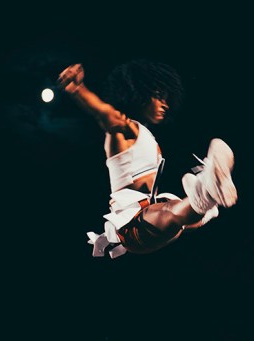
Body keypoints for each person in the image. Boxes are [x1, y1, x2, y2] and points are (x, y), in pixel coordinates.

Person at [56, 60, 237, 259]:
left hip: (152, 221)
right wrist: (78, 89)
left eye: (167, 99)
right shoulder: (123, 130)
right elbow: (103, 113)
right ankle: (205, 199)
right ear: (138, 94)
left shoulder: (145, 136)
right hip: (133, 226)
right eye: (159, 97)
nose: (165, 104)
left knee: (170, 204)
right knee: (170, 207)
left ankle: (207, 199)